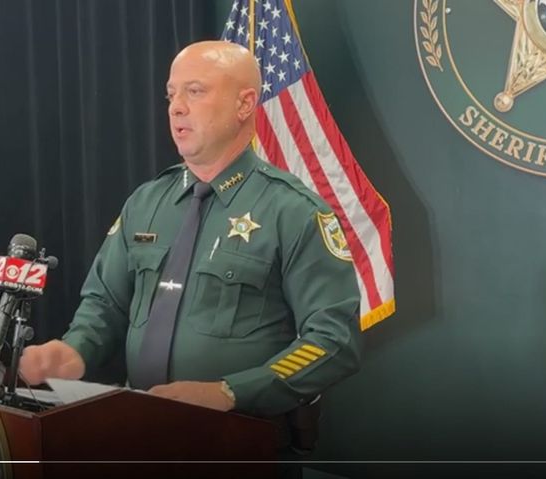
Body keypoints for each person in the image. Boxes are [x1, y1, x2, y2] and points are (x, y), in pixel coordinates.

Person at [20, 41, 360, 424]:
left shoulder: (293, 211)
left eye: (194, 92)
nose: (176, 106)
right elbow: (105, 305)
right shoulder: (146, 203)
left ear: (244, 104)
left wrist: (231, 392)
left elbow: (333, 341)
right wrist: (73, 352)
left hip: (238, 441)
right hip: (142, 430)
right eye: (171, 94)